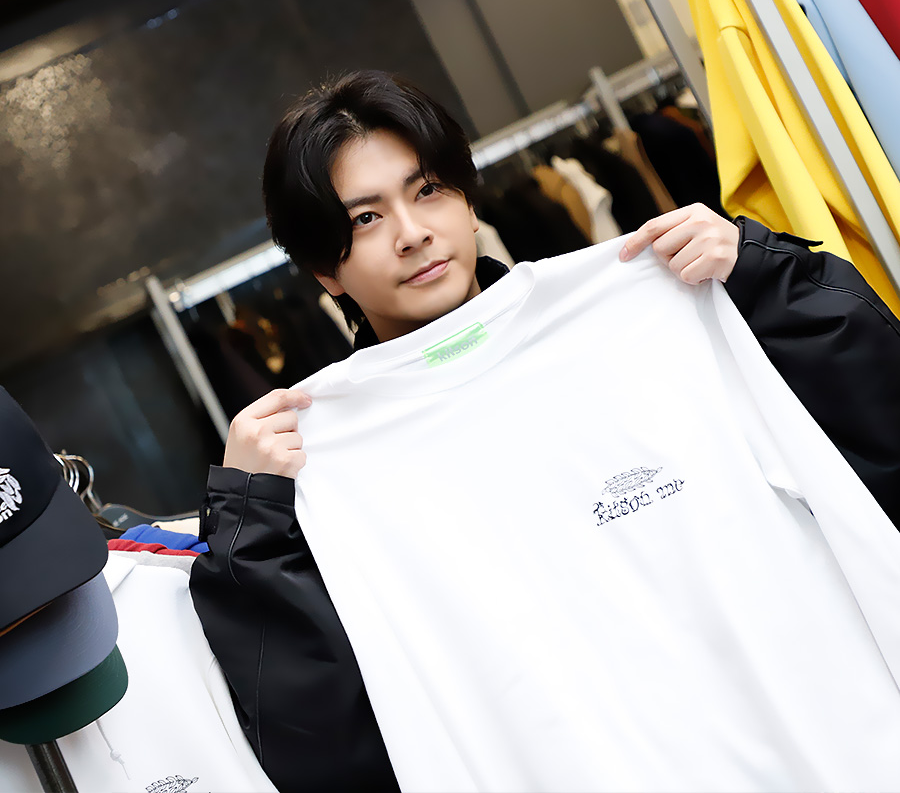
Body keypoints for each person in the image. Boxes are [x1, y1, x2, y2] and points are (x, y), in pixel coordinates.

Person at [189, 70, 900, 793]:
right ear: (324, 272)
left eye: (428, 190)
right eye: (366, 218)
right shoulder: (320, 463)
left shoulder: (650, 306)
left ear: (469, 201)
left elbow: (876, 432)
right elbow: (322, 737)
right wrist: (252, 525)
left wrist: (764, 279)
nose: (413, 233)